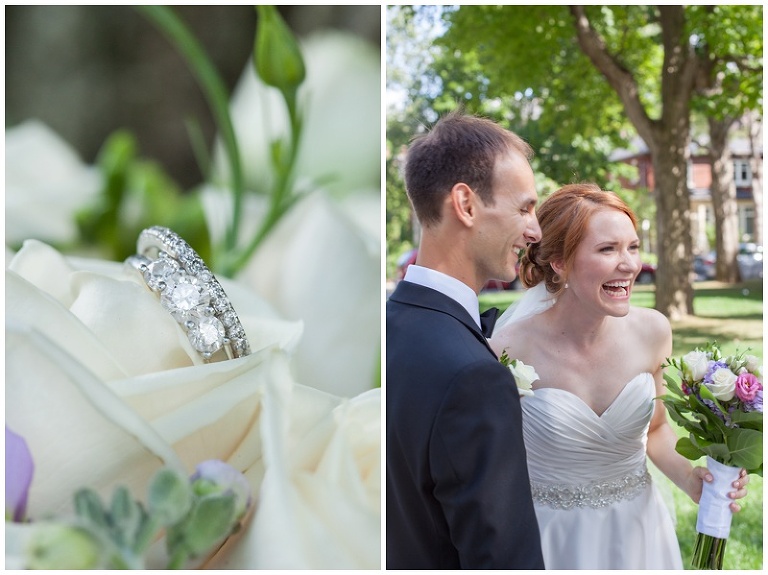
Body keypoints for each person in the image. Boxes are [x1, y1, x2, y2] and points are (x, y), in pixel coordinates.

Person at [489, 183, 750, 569]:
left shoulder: (653, 332)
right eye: (607, 249)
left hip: (639, 532)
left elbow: (656, 431)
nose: (629, 265)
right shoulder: (507, 350)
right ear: (559, 262)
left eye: (633, 247)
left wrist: (691, 481)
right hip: (551, 537)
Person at [386, 110, 545, 569]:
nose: (535, 231)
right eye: (524, 208)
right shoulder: (474, 377)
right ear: (467, 204)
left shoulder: (389, 328)